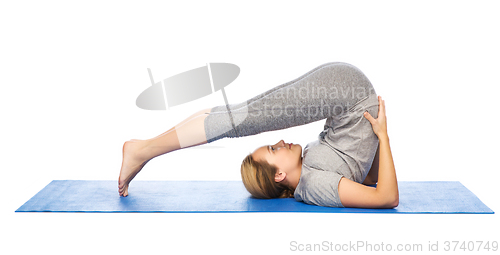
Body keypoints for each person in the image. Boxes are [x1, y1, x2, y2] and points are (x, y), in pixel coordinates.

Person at [118, 62, 398, 208]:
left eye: (272, 147)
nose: (278, 142)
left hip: (344, 92)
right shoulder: (314, 185)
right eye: (273, 151)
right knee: (239, 119)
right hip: (348, 94)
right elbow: (383, 194)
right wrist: (382, 136)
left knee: (239, 114)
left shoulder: (308, 167)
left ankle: (143, 148)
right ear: (279, 176)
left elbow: (366, 176)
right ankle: (142, 150)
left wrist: (376, 136)